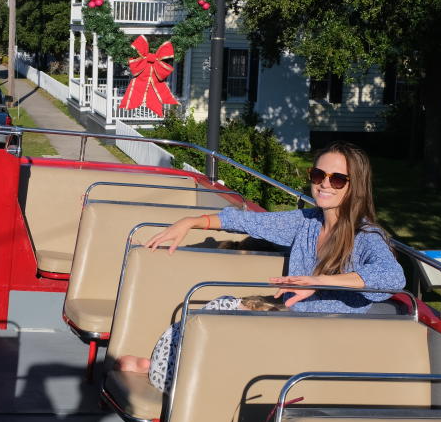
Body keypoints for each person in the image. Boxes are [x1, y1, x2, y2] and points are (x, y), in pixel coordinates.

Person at [115, 141, 405, 392]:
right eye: (318, 174)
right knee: (220, 307)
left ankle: (176, 378)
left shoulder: (366, 236)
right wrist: (191, 222)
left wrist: (321, 282)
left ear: (355, 186)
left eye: (338, 179)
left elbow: (392, 277)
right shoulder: (306, 222)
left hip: (327, 339)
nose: (325, 184)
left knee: (227, 323)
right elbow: (246, 221)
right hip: (292, 324)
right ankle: (170, 370)